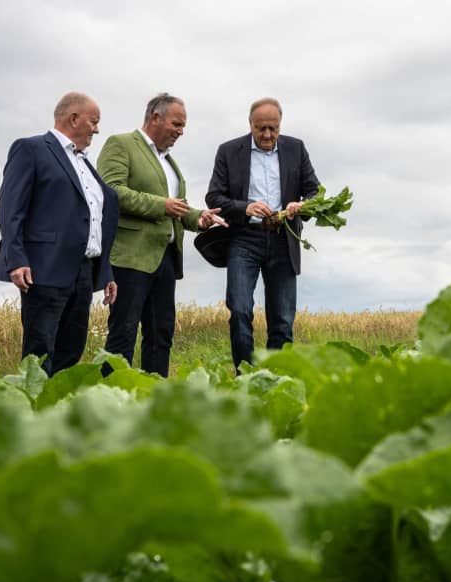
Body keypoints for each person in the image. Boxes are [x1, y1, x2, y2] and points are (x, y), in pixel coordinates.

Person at [0, 92, 119, 376]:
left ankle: (57, 411)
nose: (97, 129)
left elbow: (95, 219)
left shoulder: (84, 164)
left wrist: (104, 271)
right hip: (44, 267)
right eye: (94, 121)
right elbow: (11, 208)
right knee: (40, 347)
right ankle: (33, 410)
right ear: (74, 118)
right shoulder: (31, 149)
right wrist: (16, 258)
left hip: (83, 270)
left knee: (72, 347)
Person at [97, 93, 225, 377]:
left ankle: (154, 396)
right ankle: (114, 397)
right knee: (124, 332)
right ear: (155, 117)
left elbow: (175, 207)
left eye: (183, 127)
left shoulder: (170, 162)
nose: (181, 132)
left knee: (161, 332)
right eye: (177, 124)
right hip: (131, 257)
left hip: (165, 259)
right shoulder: (121, 144)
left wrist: (198, 218)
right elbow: (111, 191)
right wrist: (161, 205)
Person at [206, 97, 319, 369]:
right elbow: (214, 196)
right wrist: (246, 208)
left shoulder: (296, 148)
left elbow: (315, 191)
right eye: (261, 129)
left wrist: (301, 205)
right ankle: (245, 376)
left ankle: (275, 378)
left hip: (284, 238)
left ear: (280, 125)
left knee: (282, 319)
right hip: (244, 239)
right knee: (240, 310)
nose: (267, 135)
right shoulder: (229, 151)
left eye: (273, 128)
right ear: (250, 125)